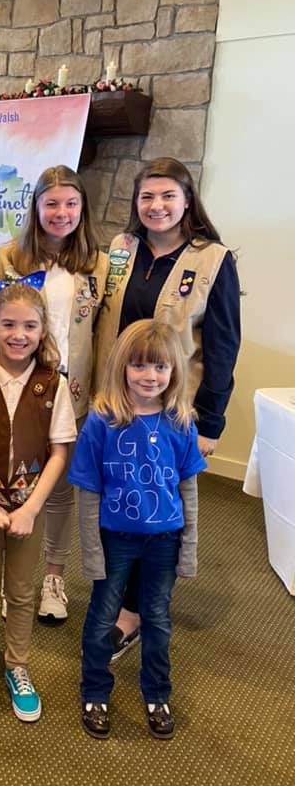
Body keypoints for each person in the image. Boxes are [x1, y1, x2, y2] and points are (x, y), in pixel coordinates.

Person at [93, 157, 240, 658]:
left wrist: (212, 421)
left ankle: (135, 612)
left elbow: (223, 346)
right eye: (147, 197)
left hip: (175, 414)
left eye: (167, 197)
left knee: (160, 511)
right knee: (118, 505)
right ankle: (116, 598)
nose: (156, 206)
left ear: (186, 200)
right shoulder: (120, 250)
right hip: (117, 406)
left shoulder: (213, 260)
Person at [70, 320, 206, 740]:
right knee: (101, 617)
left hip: (164, 540)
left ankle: (157, 693)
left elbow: (189, 491)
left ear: (174, 372)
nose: (150, 377)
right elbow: (89, 492)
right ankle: (95, 690)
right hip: (116, 539)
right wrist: (91, 551)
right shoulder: (102, 421)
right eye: (140, 366)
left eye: (160, 368)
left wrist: (189, 549)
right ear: (122, 368)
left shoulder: (181, 421)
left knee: (158, 620)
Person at [0, 282, 76, 722]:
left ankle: (17, 665)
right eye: (8, 324)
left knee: (22, 591)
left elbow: (60, 452)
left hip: (28, 506)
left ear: (42, 331)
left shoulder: (52, 385)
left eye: (29, 325)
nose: (18, 334)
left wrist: (31, 507)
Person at [0, 165, 108, 623]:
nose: (61, 213)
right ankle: (9, 579)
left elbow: (107, 329)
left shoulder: (98, 263)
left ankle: (54, 576)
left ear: (81, 209)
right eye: (51, 203)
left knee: (60, 488)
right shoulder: (9, 258)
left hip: (75, 391)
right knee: (12, 482)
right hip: (21, 390)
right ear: (36, 207)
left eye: (70, 204)